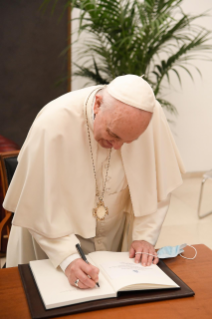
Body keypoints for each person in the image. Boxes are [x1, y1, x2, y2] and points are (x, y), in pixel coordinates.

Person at [3, 75, 184, 289]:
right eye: (113, 134)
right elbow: (39, 205)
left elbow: (156, 185)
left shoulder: (148, 117)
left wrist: (144, 236)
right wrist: (67, 257)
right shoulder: (53, 123)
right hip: (50, 242)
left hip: (113, 237)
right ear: (97, 104)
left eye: (128, 141)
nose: (117, 147)